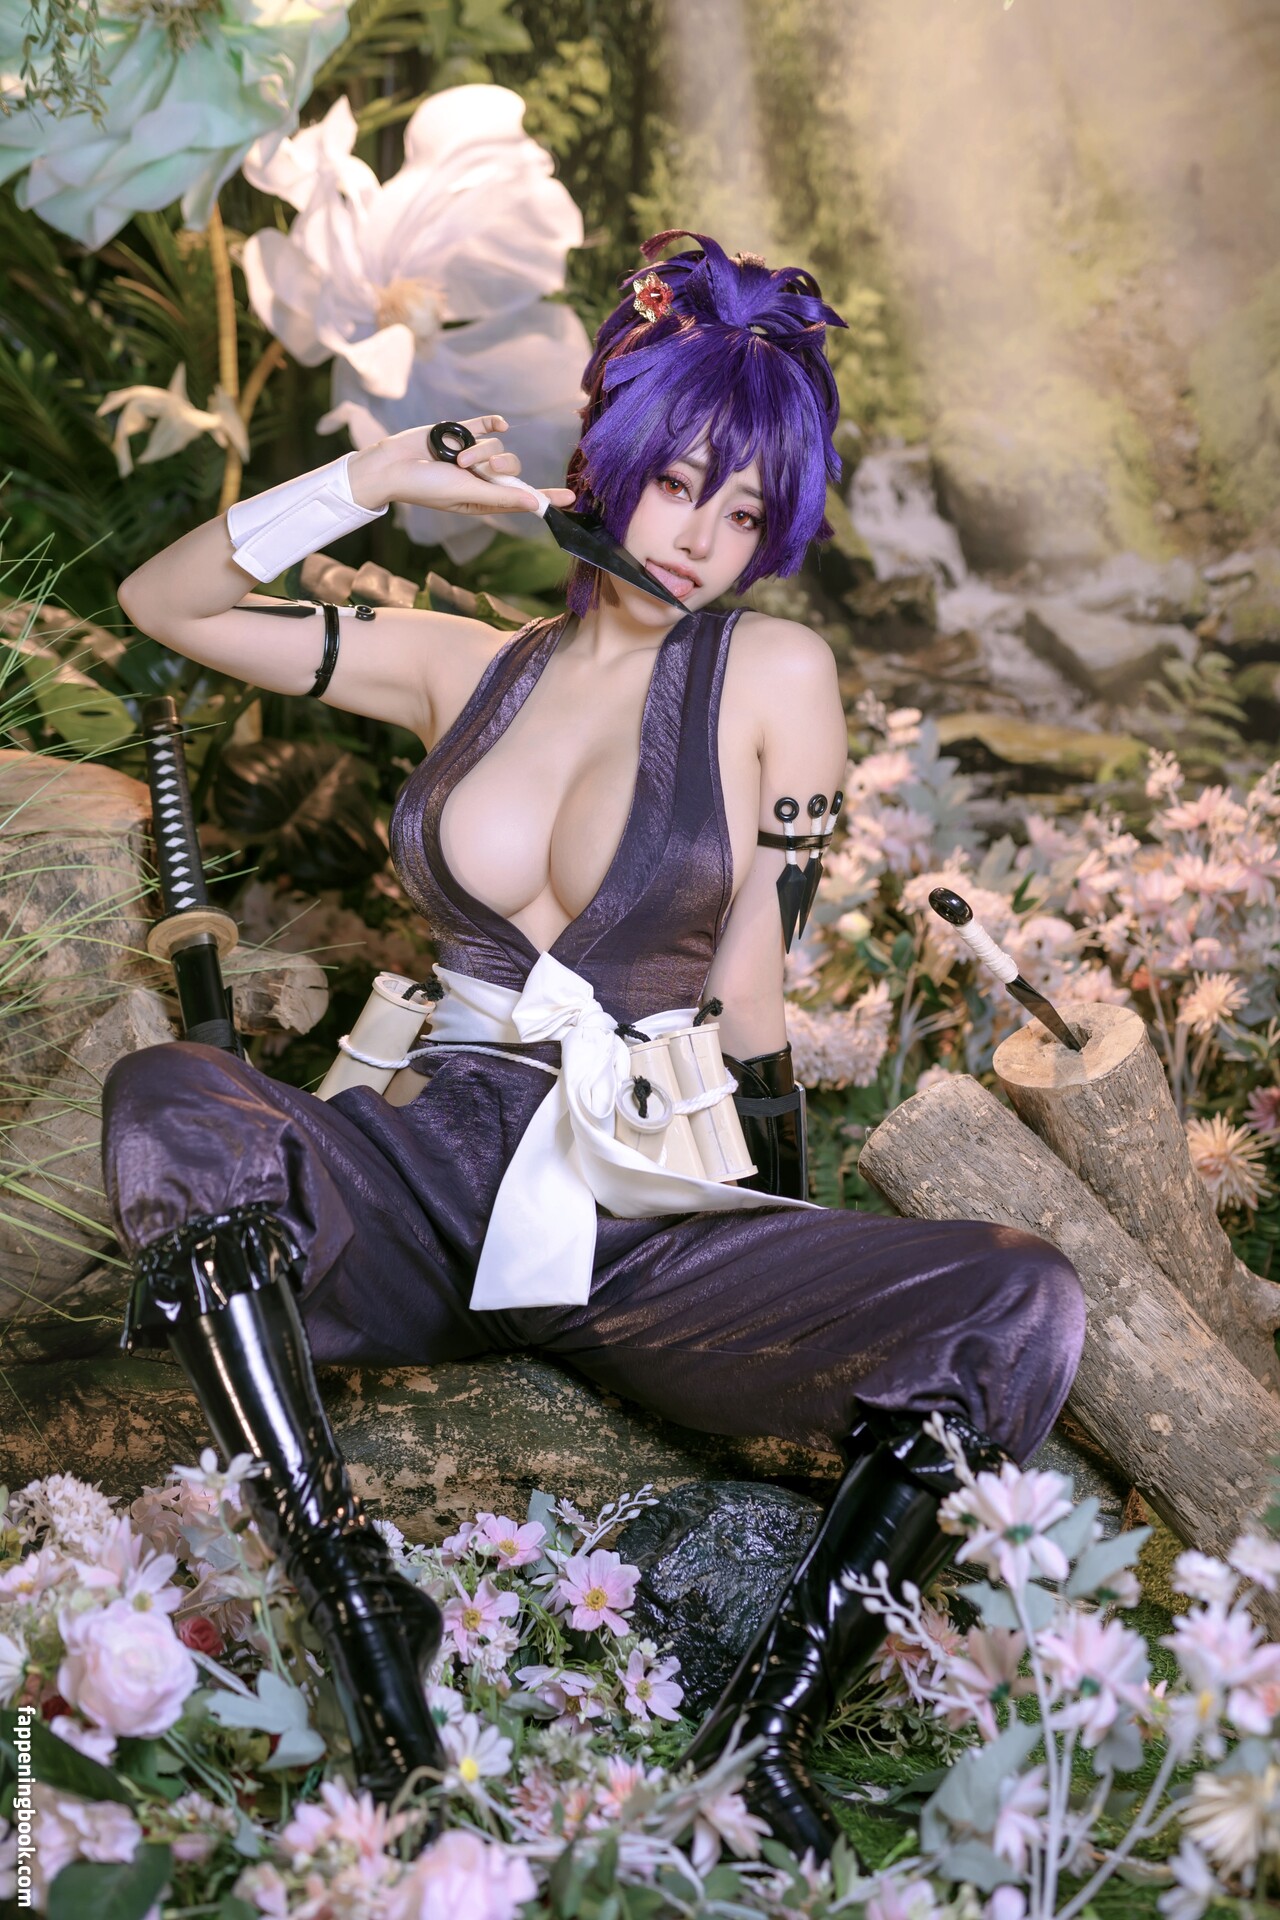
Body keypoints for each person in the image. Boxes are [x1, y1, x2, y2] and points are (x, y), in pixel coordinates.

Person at [102, 232, 1087, 1858]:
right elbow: (164, 602)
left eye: (746, 512)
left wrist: (781, 1218)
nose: (701, 538)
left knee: (1016, 1293)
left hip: (637, 1208)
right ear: (609, 461)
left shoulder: (773, 671)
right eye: (679, 483)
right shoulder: (456, 665)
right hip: (418, 1169)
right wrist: (370, 477)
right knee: (170, 1095)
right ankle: (358, 1605)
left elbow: (754, 978)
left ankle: (767, 1735)